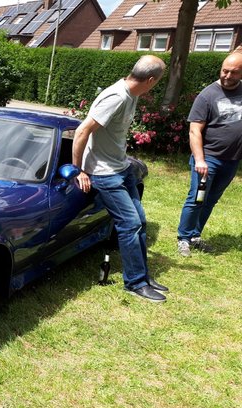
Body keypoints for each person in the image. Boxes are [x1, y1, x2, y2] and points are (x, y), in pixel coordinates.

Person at [72, 55, 168, 303]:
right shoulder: (115, 97)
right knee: (129, 224)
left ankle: (143, 276)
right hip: (104, 173)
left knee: (140, 222)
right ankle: (135, 283)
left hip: (121, 168)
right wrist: (79, 170)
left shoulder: (131, 94)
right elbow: (82, 131)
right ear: (150, 80)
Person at [176, 51, 242, 257]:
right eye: (225, 71)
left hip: (232, 160)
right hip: (208, 159)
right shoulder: (207, 95)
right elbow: (194, 130)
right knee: (197, 198)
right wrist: (200, 159)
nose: (227, 76)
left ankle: (195, 235)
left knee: (211, 199)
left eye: (234, 72)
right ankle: (183, 238)